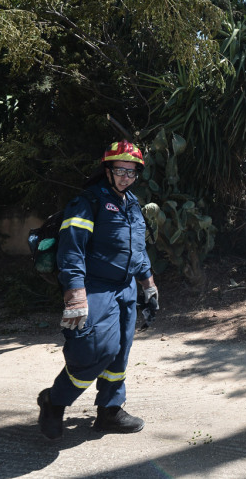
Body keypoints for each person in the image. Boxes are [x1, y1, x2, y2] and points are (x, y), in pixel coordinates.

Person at [37, 140, 159, 440]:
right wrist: (75, 293)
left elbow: (138, 249)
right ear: (107, 170)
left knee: (120, 352)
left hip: (126, 288)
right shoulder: (88, 202)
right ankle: (54, 401)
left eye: (132, 173)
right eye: (120, 170)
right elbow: (71, 251)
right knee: (94, 350)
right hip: (95, 288)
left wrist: (149, 285)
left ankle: (110, 411)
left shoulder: (132, 204)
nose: (126, 177)